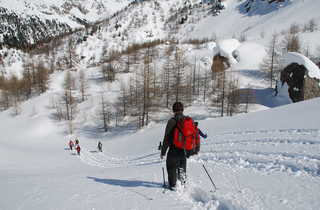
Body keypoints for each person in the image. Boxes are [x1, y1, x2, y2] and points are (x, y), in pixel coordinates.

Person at [161, 101, 189, 191]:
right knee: (182, 166)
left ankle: (173, 185)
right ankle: (182, 183)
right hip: (184, 150)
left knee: (171, 167)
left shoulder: (172, 121)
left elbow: (167, 138)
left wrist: (163, 152)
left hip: (173, 149)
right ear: (182, 109)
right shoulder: (187, 120)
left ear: (174, 110)